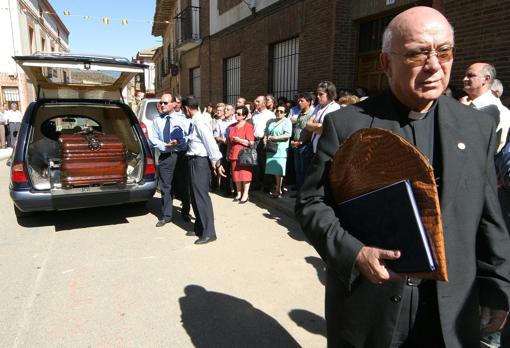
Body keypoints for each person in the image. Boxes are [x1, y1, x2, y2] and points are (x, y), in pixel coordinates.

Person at [296, 6, 510, 347]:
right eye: (417, 54)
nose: (434, 66)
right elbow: (312, 203)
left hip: (450, 310)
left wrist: (498, 287)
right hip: (372, 306)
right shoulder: (347, 124)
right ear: (385, 64)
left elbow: (488, 216)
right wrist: (354, 253)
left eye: (444, 52)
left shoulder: (476, 126)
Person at [182, 95, 225, 245]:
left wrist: (217, 162)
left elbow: (211, 144)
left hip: (199, 162)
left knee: (201, 197)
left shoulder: (200, 123)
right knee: (194, 196)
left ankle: (209, 232)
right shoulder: (194, 122)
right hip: (193, 161)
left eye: (183, 109)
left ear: (187, 109)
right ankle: (199, 227)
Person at [149, 93, 191, 227]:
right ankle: (166, 215)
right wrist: (163, 145)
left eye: (165, 103)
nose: (162, 105)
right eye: (161, 103)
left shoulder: (183, 119)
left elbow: (189, 136)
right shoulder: (157, 120)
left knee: (183, 186)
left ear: (174, 104)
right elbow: (153, 138)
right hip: (166, 156)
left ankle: (185, 212)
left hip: (180, 155)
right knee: (165, 187)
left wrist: (179, 142)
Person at [462, 62, 510, 152]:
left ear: (486, 79)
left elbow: (466, 142)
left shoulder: (493, 111)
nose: (464, 79)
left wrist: (461, 111)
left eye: (470, 75)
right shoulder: (472, 105)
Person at [228, 106, 254, 203]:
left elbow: (251, 142)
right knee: (236, 175)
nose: (236, 115)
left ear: (244, 116)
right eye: (236, 113)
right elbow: (229, 142)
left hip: (244, 154)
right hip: (233, 153)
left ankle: (245, 194)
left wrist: (239, 140)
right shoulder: (232, 126)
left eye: (238, 114)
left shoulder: (248, 126)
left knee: (245, 174)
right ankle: (238, 193)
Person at [305, 81, 340, 154]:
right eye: (317, 94)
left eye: (321, 94)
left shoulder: (335, 107)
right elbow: (307, 124)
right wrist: (318, 126)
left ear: (330, 94)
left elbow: (326, 130)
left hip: (325, 151)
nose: (317, 96)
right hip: (314, 148)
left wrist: (314, 127)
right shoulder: (318, 106)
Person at [264, 105, 292, 198]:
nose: (278, 113)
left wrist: (275, 137)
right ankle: (277, 189)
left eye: (281, 111)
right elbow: (267, 132)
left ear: (285, 113)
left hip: (281, 149)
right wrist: (265, 138)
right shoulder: (271, 121)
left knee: (279, 171)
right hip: (271, 148)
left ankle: (278, 190)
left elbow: (288, 134)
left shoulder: (287, 122)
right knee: (273, 170)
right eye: (277, 111)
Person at [290, 92, 315, 191]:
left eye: (302, 101)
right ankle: (299, 187)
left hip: (304, 145)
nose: (299, 102)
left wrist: (300, 142)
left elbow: (309, 131)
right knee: (297, 169)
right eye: (298, 101)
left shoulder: (311, 114)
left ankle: (303, 191)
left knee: (304, 169)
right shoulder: (300, 113)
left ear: (308, 102)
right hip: (296, 144)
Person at [251, 96, 275, 191]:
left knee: (265, 163)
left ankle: (267, 185)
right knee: (256, 164)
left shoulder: (270, 115)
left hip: (264, 141)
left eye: (257, 101)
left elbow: (272, 128)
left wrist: (266, 138)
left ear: (264, 103)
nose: (255, 102)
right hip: (255, 141)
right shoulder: (254, 114)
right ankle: (257, 184)